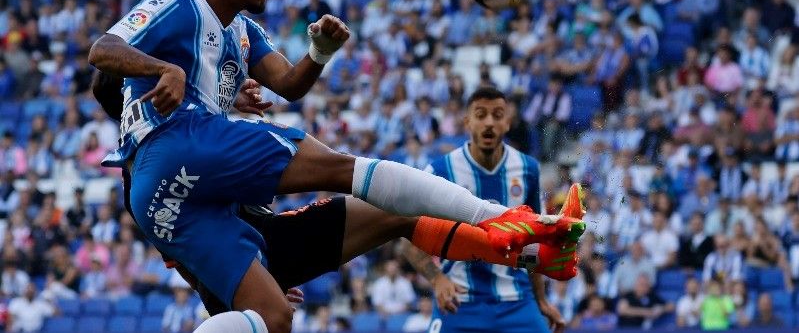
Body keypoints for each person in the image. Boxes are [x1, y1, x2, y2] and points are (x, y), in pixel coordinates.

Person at [87, 0, 584, 333]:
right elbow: (103, 51)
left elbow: (288, 82)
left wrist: (320, 52)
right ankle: (506, 219)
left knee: (277, 316)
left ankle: (527, 251)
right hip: (184, 159)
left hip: (184, 205)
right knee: (344, 169)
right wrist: (163, 71)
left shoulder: (240, 33)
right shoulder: (178, 3)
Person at [92, 76, 586, 329]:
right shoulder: (146, 169)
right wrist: (245, 282)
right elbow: (184, 255)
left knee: (398, 214)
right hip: (239, 263)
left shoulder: (172, 133)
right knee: (347, 175)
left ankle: (533, 251)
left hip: (264, 245)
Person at [401, 88, 584, 333]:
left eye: (497, 115)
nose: (489, 122)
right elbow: (407, 239)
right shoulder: (439, 171)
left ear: (507, 123)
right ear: (467, 122)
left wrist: (540, 300)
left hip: (516, 302)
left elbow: (535, 240)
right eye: (481, 114)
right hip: (459, 300)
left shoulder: (527, 169)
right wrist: (437, 279)